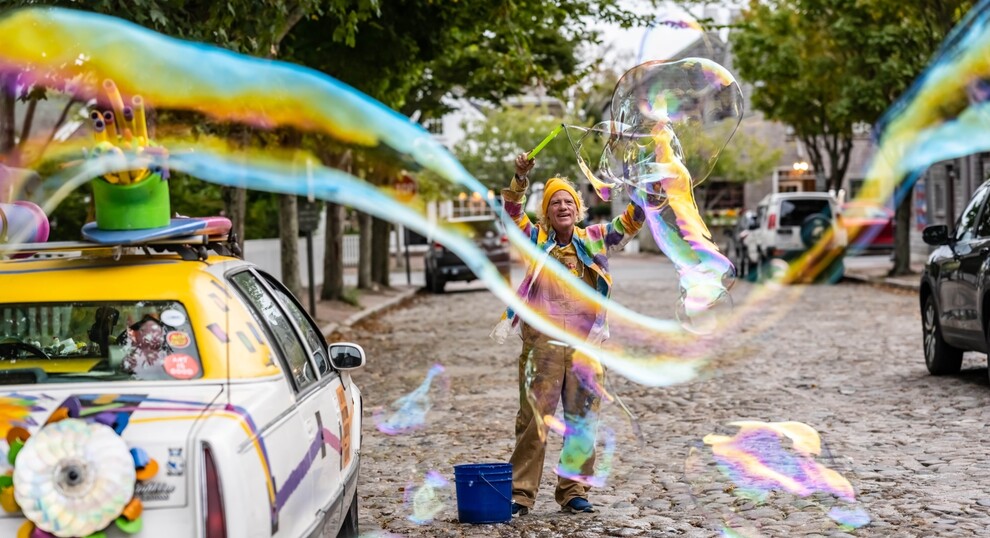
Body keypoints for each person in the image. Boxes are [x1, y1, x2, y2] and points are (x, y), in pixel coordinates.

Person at [495, 153, 646, 516]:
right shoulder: (536, 238)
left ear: (577, 210)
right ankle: (520, 494)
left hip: (585, 346)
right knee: (534, 420)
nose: (562, 206)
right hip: (542, 345)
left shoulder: (595, 238)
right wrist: (519, 177)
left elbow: (630, 222)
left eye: (568, 202)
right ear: (547, 212)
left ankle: (574, 490)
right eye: (555, 203)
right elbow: (513, 213)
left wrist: (643, 191)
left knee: (582, 420)